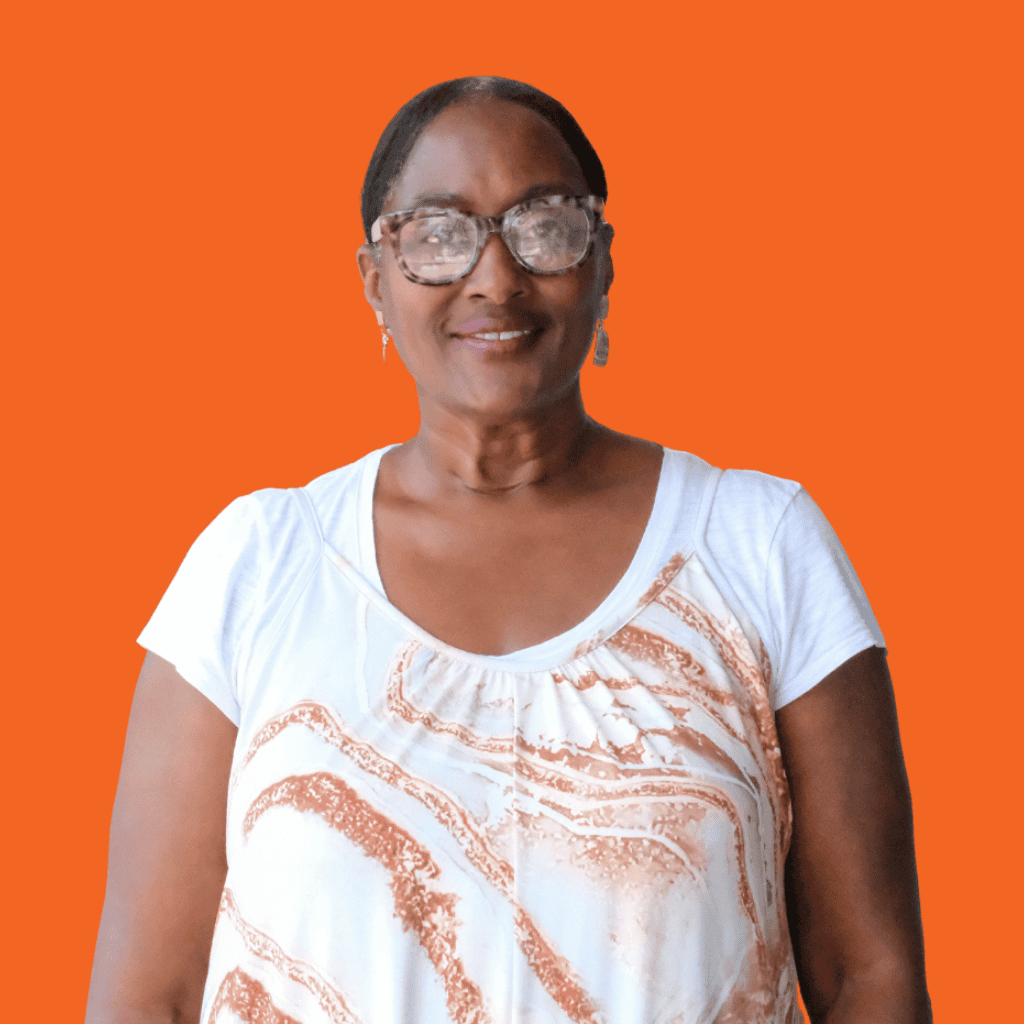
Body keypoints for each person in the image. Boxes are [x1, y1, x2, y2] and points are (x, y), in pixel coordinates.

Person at [86, 77, 931, 1024]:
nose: (495, 277)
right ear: (375, 277)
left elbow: (871, 975)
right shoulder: (254, 567)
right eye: (439, 234)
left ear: (602, 262)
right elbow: (144, 995)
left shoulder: (760, 546)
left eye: (544, 226)